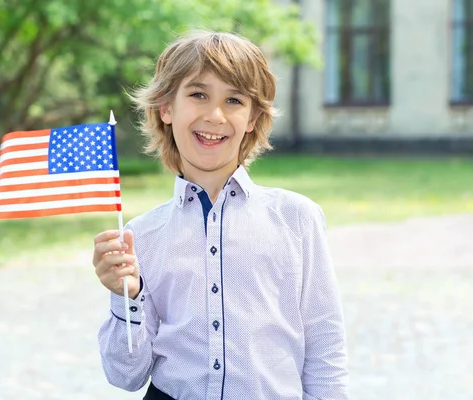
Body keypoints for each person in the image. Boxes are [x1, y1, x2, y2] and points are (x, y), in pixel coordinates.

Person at [93, 31, 349, 400]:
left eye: (234, 100)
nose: (215, 115)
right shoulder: (141, 236)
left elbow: (325, 347)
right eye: (198, 94)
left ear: (252, 117)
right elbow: (124, 375)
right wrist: (125, 296)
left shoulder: (298, 219)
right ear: (166, 107)